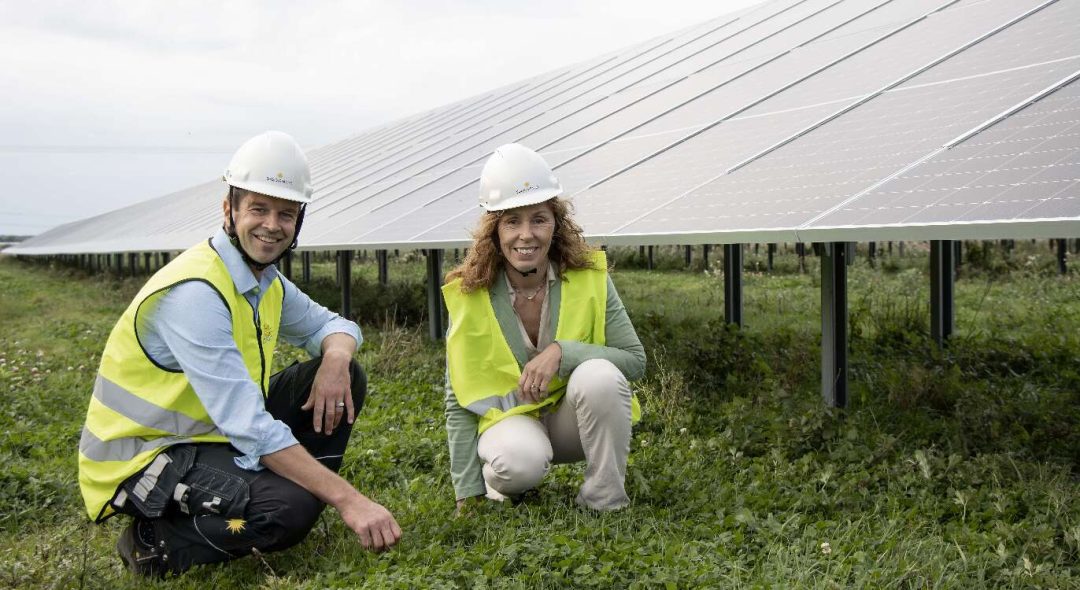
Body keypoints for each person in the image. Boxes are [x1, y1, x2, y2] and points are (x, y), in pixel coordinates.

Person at [77, 130, 401, 577]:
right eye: (259, 209)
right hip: (144, 456)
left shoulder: (265, 280)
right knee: (287, 509)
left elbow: (337, 327)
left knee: (346, 376)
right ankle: (156, 543)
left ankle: (300, 489)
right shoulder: (196, 293)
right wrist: (350, 499)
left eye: (286, 214)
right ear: (228, 209)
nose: (272, 225)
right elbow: (248, 425)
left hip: (208, 435)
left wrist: (337, 359)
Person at [442, 143, 646, 513]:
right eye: (512, 221)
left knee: (600, 375)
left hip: (573, 421)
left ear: (556, 224)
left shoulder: (590, 279)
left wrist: (563, 352)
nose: (526, 234)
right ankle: (500, 479)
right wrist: (466, 492)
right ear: (494, 230)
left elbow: (634, 360)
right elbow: (457, 399)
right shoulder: (470, 295)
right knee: (517, 465)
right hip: (512, 421)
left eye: (539, 219)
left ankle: (604, 500)